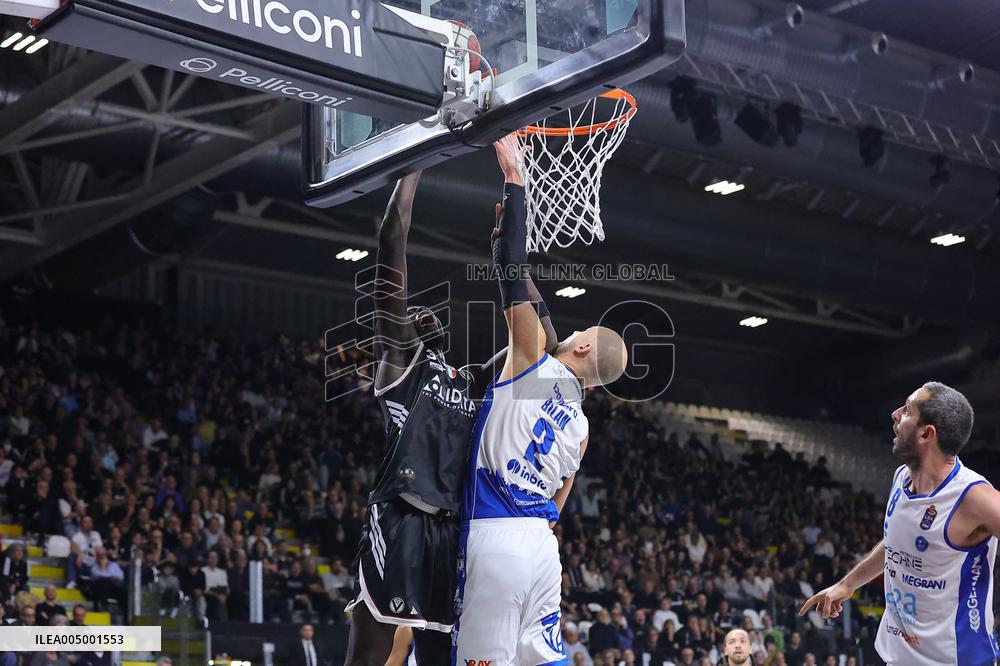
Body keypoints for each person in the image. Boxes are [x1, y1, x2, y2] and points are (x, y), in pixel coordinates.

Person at [343, 171, 557, 666]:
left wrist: (511, 255)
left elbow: (541, 348)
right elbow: (391, 243)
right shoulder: (401, 364)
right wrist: (411, 168)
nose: (421, 312)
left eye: (425, 311)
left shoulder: (469, 381)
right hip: (402, 516)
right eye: (412, 311)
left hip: (452, 532)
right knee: (369, 655)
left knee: (443, 656)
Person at [452, 135, 628, 665]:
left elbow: (511, 278)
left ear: (580, 346)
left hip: (496, 536)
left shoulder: (530, 363)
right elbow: (557, 505)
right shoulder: (580, 426)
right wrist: (502, 241)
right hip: (542, 551)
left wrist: (516, 181)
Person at [800, 382, 1000, 665]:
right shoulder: (900, 478)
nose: (895, 414)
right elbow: (897, 545)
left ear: (926, 433)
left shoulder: (974, 497)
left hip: (954, 659)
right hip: (897, 653)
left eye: (907, 411)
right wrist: (847, 585)